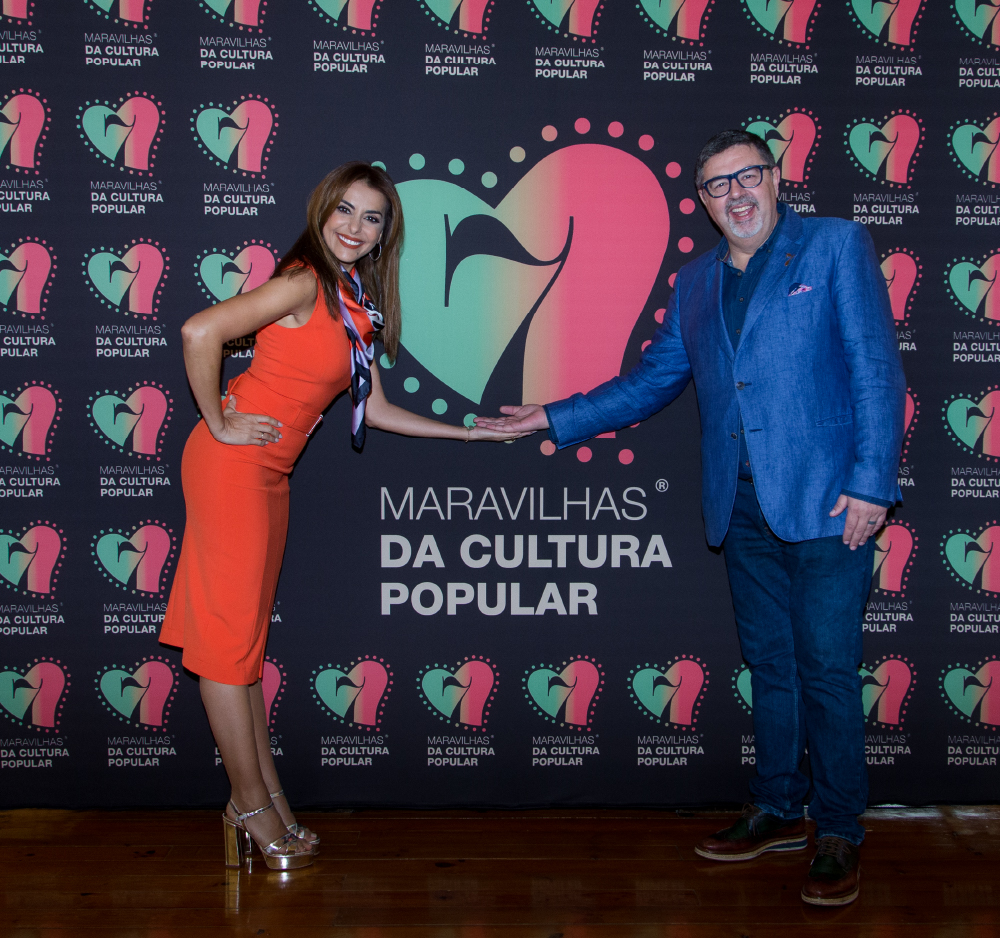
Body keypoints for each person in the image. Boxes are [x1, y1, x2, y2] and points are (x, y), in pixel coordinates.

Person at [476, 130, 906, 907]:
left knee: (827, 672)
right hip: (737, 506)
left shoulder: (836, 245)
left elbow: (876, 371)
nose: (736, 195)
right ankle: (777, 807)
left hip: (828, 502)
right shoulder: (696, 280)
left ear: (776, 178)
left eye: (747, 177)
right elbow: (651, 383)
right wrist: (552, 416)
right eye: (717, 185)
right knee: (771, 666)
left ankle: (839, 830)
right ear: (703, 201)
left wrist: (873, 484)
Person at [160, 162, 524, 871]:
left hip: (269, 474)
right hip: (232, 468)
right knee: (227, 651)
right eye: (345, 211)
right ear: (322, 211)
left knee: (242, 649)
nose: (356, 227)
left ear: (386, 233)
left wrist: (467, 434)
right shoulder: (302, 281)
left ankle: (264, 798)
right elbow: (200, 331)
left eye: (372, 218)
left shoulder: (352, 299)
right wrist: (220, 423)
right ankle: (249, 808)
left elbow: (374, 408)